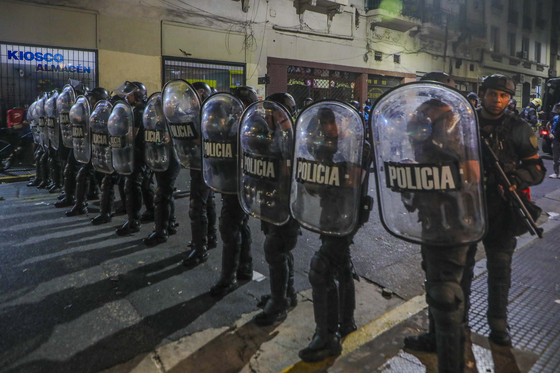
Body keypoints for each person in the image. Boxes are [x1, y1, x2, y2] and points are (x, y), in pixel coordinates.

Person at [297, 104, 371, 363]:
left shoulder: (358, 146)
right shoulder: (324, 148)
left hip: (348, 215)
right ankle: (347, 322)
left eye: (332, 123)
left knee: (321, 267)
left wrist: (321, 174)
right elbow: (313, 186)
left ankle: (326, 336)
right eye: (324, 123)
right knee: (342, 266)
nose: (329, 128)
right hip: (329, 213)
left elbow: (350, 180)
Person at [249, 93, 300, 326]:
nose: (266, 117)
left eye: (270, 112)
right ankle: (286, 294)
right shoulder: (278, 134)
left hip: (285, 202)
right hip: (271, 198)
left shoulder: (291, 136)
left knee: (275, 249)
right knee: (278, 248)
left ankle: (279, 304)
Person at [208, 86, 257, 296]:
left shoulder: (254, 124)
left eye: (235, 104)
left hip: (243, 182)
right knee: (239, 225)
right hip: (231, 181)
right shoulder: (233, 122)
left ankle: (228, 278)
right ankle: (244, 267)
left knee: (229, 227)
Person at [181, 82, 219, 267]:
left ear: (201, 93)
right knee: (208, 203)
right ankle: (209, 237)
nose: (189, 98)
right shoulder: (202, 111)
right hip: (201, 164)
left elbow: (206, 137)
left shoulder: (209, 112)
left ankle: (199, 248)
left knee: (197, 207)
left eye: (192, 94)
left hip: (205, 164)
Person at [142, 92, 181, 246]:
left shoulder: (175, 119)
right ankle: (170, 224)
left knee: (162, 195)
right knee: (166, 193)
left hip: (171, 160)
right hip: (160, 159)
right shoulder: (158, 121)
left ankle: (161, 231)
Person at [65, 87, 110, 216]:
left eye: (93, 98)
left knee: (109, 181)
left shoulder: (105, 112)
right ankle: (81, 205)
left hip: (104, 151)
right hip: (93, 150)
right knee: (85, 175)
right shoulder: (91, 111)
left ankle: (107, 212)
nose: (90, 100)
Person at [114, 81, 150, 236]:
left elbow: (131, 135)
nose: (127, 96)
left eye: (130, 94)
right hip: (145, 153)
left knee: (133, 185)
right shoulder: (144, 109)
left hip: (138, 154)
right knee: (146, 184)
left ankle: (133, 221)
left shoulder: (138, 112)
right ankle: (153, 211)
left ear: (138, 95)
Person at [1, 107, 32, 172]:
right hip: (23, 131)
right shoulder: (26, 112)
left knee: (20, 145)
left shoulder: (24, 112)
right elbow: (25, 122)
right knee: (21, 146)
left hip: (20, 130)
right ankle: (10, 159)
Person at [549, 103, 560, 179]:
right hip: (556, 140)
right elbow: (548, 124)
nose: (558, 109)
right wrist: (550, 133)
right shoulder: (556, 118)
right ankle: (556, 173)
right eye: (558, 108)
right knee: (556, 158)